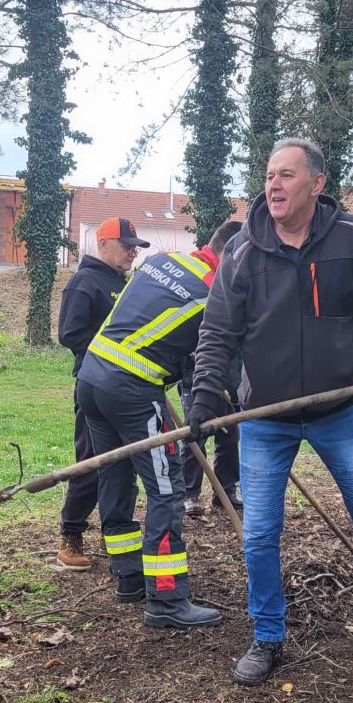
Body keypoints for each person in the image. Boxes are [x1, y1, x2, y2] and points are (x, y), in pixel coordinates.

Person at [189, 137, 353, 684]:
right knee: (260, 532)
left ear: (317, 183)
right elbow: (216, 332)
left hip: (339, 410)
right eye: (269, 176)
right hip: (264, 418)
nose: (274, 186)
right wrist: (205, 396)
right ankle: (267, 635)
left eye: (286, 175)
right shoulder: (242, 251)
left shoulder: (352, 238)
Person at [75, 235, 232, 629]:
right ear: (231, 255)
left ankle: (128, 576)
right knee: (166, 491)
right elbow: (215, 350)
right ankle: (166, 599)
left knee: (115, 475)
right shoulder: (213, 291)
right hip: (132, 389)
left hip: (91, 377)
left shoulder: (162, 261)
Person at [56, 217, 148, 568]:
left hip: (129, 389)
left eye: (135, 248)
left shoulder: (126, 283)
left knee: (124, 465)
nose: (132, 253)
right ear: (103, 244)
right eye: (126, 246)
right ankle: (71, 534)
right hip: (95, 387)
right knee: (92, 462)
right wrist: (110, 357)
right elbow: (70, 334)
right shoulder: (85, 282)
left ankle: (116, 537)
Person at [178, 220, 244, 517]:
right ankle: (189, 493)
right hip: (196, 373)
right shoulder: (196, 276)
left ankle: (226, 489)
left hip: (229, 371)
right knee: (196, 432)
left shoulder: (230, 278)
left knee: (230, 433)